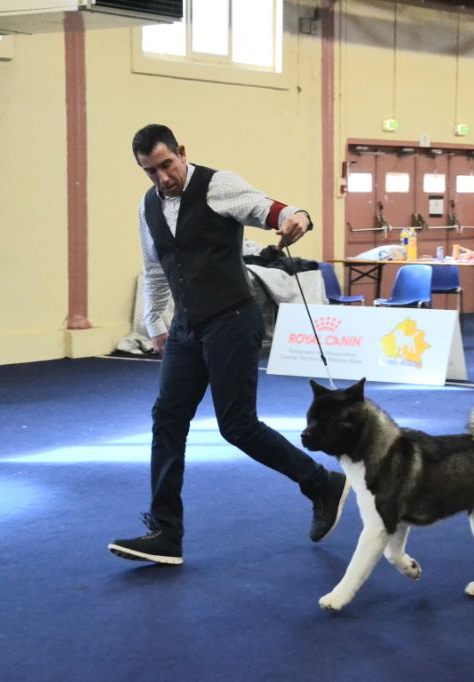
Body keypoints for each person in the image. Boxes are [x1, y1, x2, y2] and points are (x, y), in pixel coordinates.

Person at [108, 124, 350, 565]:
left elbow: (268, 208)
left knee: (237, 426)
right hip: (185, 329)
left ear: (182, 152)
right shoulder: (148, 207)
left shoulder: (218, 186)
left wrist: (296, 217)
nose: (162, 177)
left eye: (167, 165)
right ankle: (165, 532)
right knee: (167, 419)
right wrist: (155, 324)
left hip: (232, 321)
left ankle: (321, 483)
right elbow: (156, 268)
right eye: (150, 171)